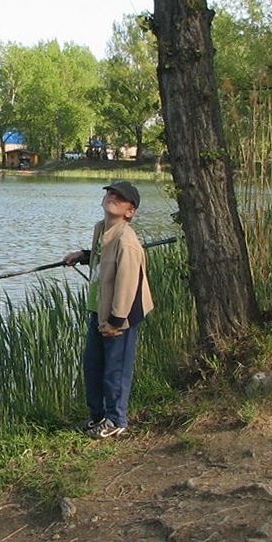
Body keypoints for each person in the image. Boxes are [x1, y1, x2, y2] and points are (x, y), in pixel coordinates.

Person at [63, 181, 154, 438]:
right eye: (110, 193)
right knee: (93, 365)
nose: (112, 197)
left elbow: (127, 284)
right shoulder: (102, 229)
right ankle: (98, 417)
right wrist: (83, 255)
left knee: (116, 369)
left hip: (119, 315)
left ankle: (116, 420)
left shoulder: (127, 241)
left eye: (120, 197)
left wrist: (116, 321)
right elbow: (104, 257)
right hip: (99, 310)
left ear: (130, 212)